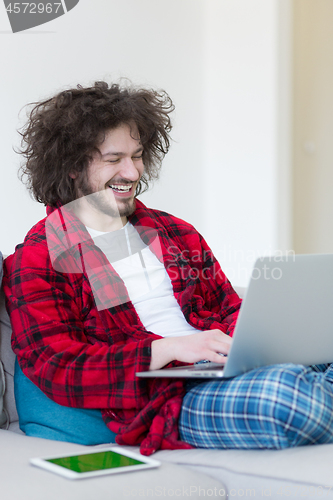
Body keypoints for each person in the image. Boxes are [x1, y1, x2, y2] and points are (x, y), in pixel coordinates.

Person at [4, 82, 333, 456]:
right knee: (284, 397)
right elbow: (57, 366)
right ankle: (301, 386)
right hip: (165, 400)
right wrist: (168, 348)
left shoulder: (175, 232)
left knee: (303, 367)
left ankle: (301, 382)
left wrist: (255, 343)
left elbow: (229, 307)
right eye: (114, 160)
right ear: (73, 168)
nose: (132, 172)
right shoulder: (40, 255)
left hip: (225, 369)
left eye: (138, 155)